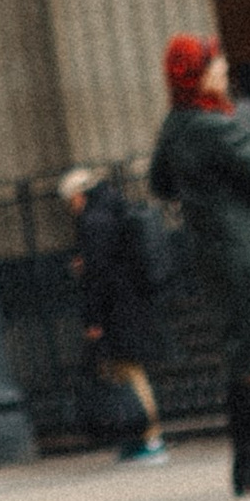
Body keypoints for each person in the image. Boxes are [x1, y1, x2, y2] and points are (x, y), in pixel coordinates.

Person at [147, 36, 250, 498]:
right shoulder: (218, 126)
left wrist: (203, 197)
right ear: (197, 75)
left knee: (246, 350)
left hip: (213, 248)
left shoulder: (176, 125)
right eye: (215, 64)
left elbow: (160, 182)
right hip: (245, 248)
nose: (223, 70)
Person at [57, 167, 171, 459]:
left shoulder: (93, 221)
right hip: (128, 302)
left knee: (129, 372)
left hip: (114, 307)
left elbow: (98, 274)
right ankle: (139, 434)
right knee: (125, 370)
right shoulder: (114, 210)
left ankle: (150, 435)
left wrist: (93, 319)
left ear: (78, 196)